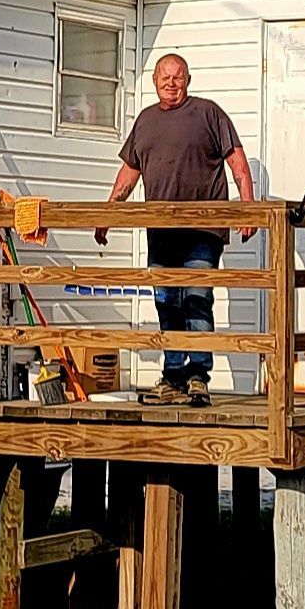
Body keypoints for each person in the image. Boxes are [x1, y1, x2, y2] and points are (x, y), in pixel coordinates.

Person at [95, 53, 255, 406]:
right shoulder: (146, 122)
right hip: (161, 233)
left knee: (197, 300)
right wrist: (109, 213)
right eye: (165, 77)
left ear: (188, 80)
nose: (171, 83)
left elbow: (238, 164)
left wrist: (247, 209)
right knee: (166, 303)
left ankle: (198, 376)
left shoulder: (208, 113)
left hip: (202, 232)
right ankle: (172, 377)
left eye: (178, 77)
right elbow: (128, 175)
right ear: (154, 81)